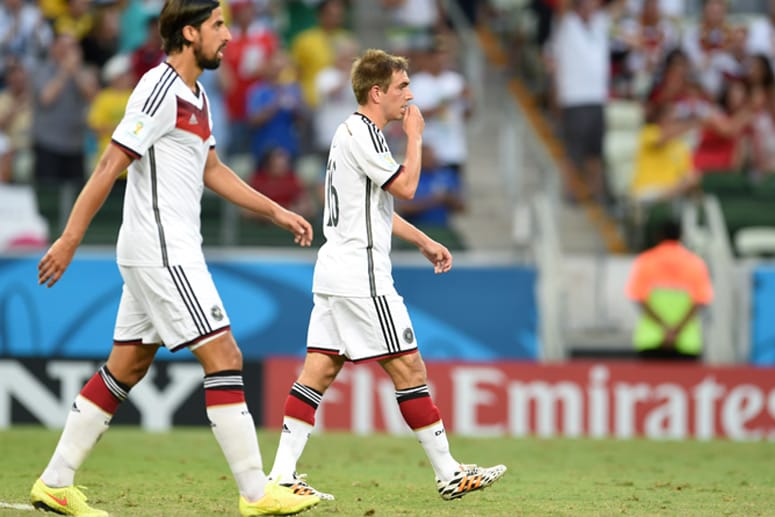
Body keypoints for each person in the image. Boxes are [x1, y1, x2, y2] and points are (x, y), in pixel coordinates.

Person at [29, 1, 320, 516]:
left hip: (163, 247)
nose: (228, 36)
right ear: (189, 33)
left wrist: (276, 211)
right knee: (225, 356)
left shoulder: (198, 96)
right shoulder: (158, 88)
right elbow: (110, 164)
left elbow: (213, 170)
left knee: (128, 363)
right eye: (218, 26)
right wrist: (70, 236)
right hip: (161, 248)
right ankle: (257, 493)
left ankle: (55, 481)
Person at [266, 48, 506, 502]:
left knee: (316, 372)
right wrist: (416, 137)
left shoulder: (350, 134)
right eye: (401, 88)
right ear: (377, 92)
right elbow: (409, 187)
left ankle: (280, 475)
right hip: (362, 274)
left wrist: (422, 240)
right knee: (409, 368)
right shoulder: (367, 135)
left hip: (335, 269)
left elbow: (377, 208)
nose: (409, 97)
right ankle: (449, 472)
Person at [625, 219, 714, 360]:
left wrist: (665, 329)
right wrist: (675, 331)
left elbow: (640, 299)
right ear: (681, 236)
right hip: (686, 340)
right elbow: (700, 302)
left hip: (651, 337)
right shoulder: (695, 263)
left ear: (659, 236)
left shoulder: (646, 261)